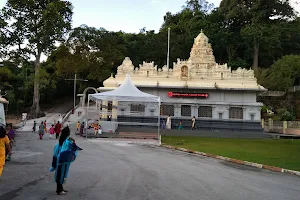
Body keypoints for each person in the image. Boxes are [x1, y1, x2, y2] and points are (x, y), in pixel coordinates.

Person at [49, 127, 82, 195]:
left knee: (62, 174)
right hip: (62, 161)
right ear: (67, 133)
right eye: (69, 132)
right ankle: (59, 190)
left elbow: (56, 152)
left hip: (63, 161)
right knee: (60, 174)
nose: (70, 133)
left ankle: (61, 188)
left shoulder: (63, 141)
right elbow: (72, 147)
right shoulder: (67, 141)